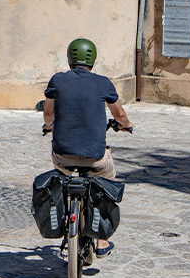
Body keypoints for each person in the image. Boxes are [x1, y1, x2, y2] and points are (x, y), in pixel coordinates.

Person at [42, 38, 133, 257]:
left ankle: (65, 216)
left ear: (69, 59)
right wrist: (126, 125)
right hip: (95, 158)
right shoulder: (103, 83)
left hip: (62, 156)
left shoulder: (57, 80)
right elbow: (119, 114)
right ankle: (101, 241)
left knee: (62, 177)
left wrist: (48, 126)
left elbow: (48, 112)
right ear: (93, 60)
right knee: (106, 178)